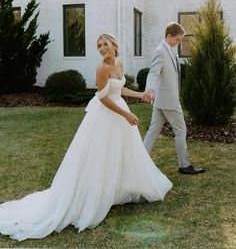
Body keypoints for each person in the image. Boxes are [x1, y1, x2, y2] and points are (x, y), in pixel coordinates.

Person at [0, 33, 172, 241]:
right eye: (98, 45)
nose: (101, 48)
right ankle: (92, 195)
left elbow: (119, 88)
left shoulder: (119, 63)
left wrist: (141, 95)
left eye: (105, 44)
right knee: (99, 155)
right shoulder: (102, 68)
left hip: (119, 109)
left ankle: (113, 190)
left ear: (114, 45)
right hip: (105, 115)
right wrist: (126, 114)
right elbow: (102, 98)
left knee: (120, 153)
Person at [143, 23, 205, 175]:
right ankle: (184, 164)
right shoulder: (161, 51)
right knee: (180, 129)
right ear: (169, 36)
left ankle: (140, 160)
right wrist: (149, 89)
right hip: (168, 101)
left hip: (162, 100)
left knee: (153, 130)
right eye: (177, 39)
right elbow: (153, 72)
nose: (178, 43)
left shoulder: (168, 50)